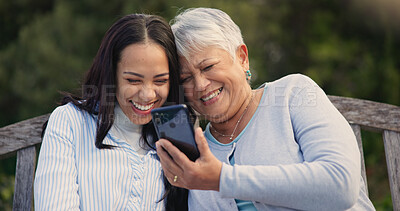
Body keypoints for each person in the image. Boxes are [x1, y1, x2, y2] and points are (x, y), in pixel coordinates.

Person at [156, 7, 375, 210]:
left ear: (242, 58)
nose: (200, 85)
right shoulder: (196, 154)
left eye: (208, 66)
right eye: (186, 79)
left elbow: (341, 184)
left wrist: (222, 178)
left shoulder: (294, 93)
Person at [34, 13, 187, 210]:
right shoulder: (70, 122)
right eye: (133, 80)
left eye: (160, 81)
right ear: (110, 74)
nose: (147, 95)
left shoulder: (176, 134)